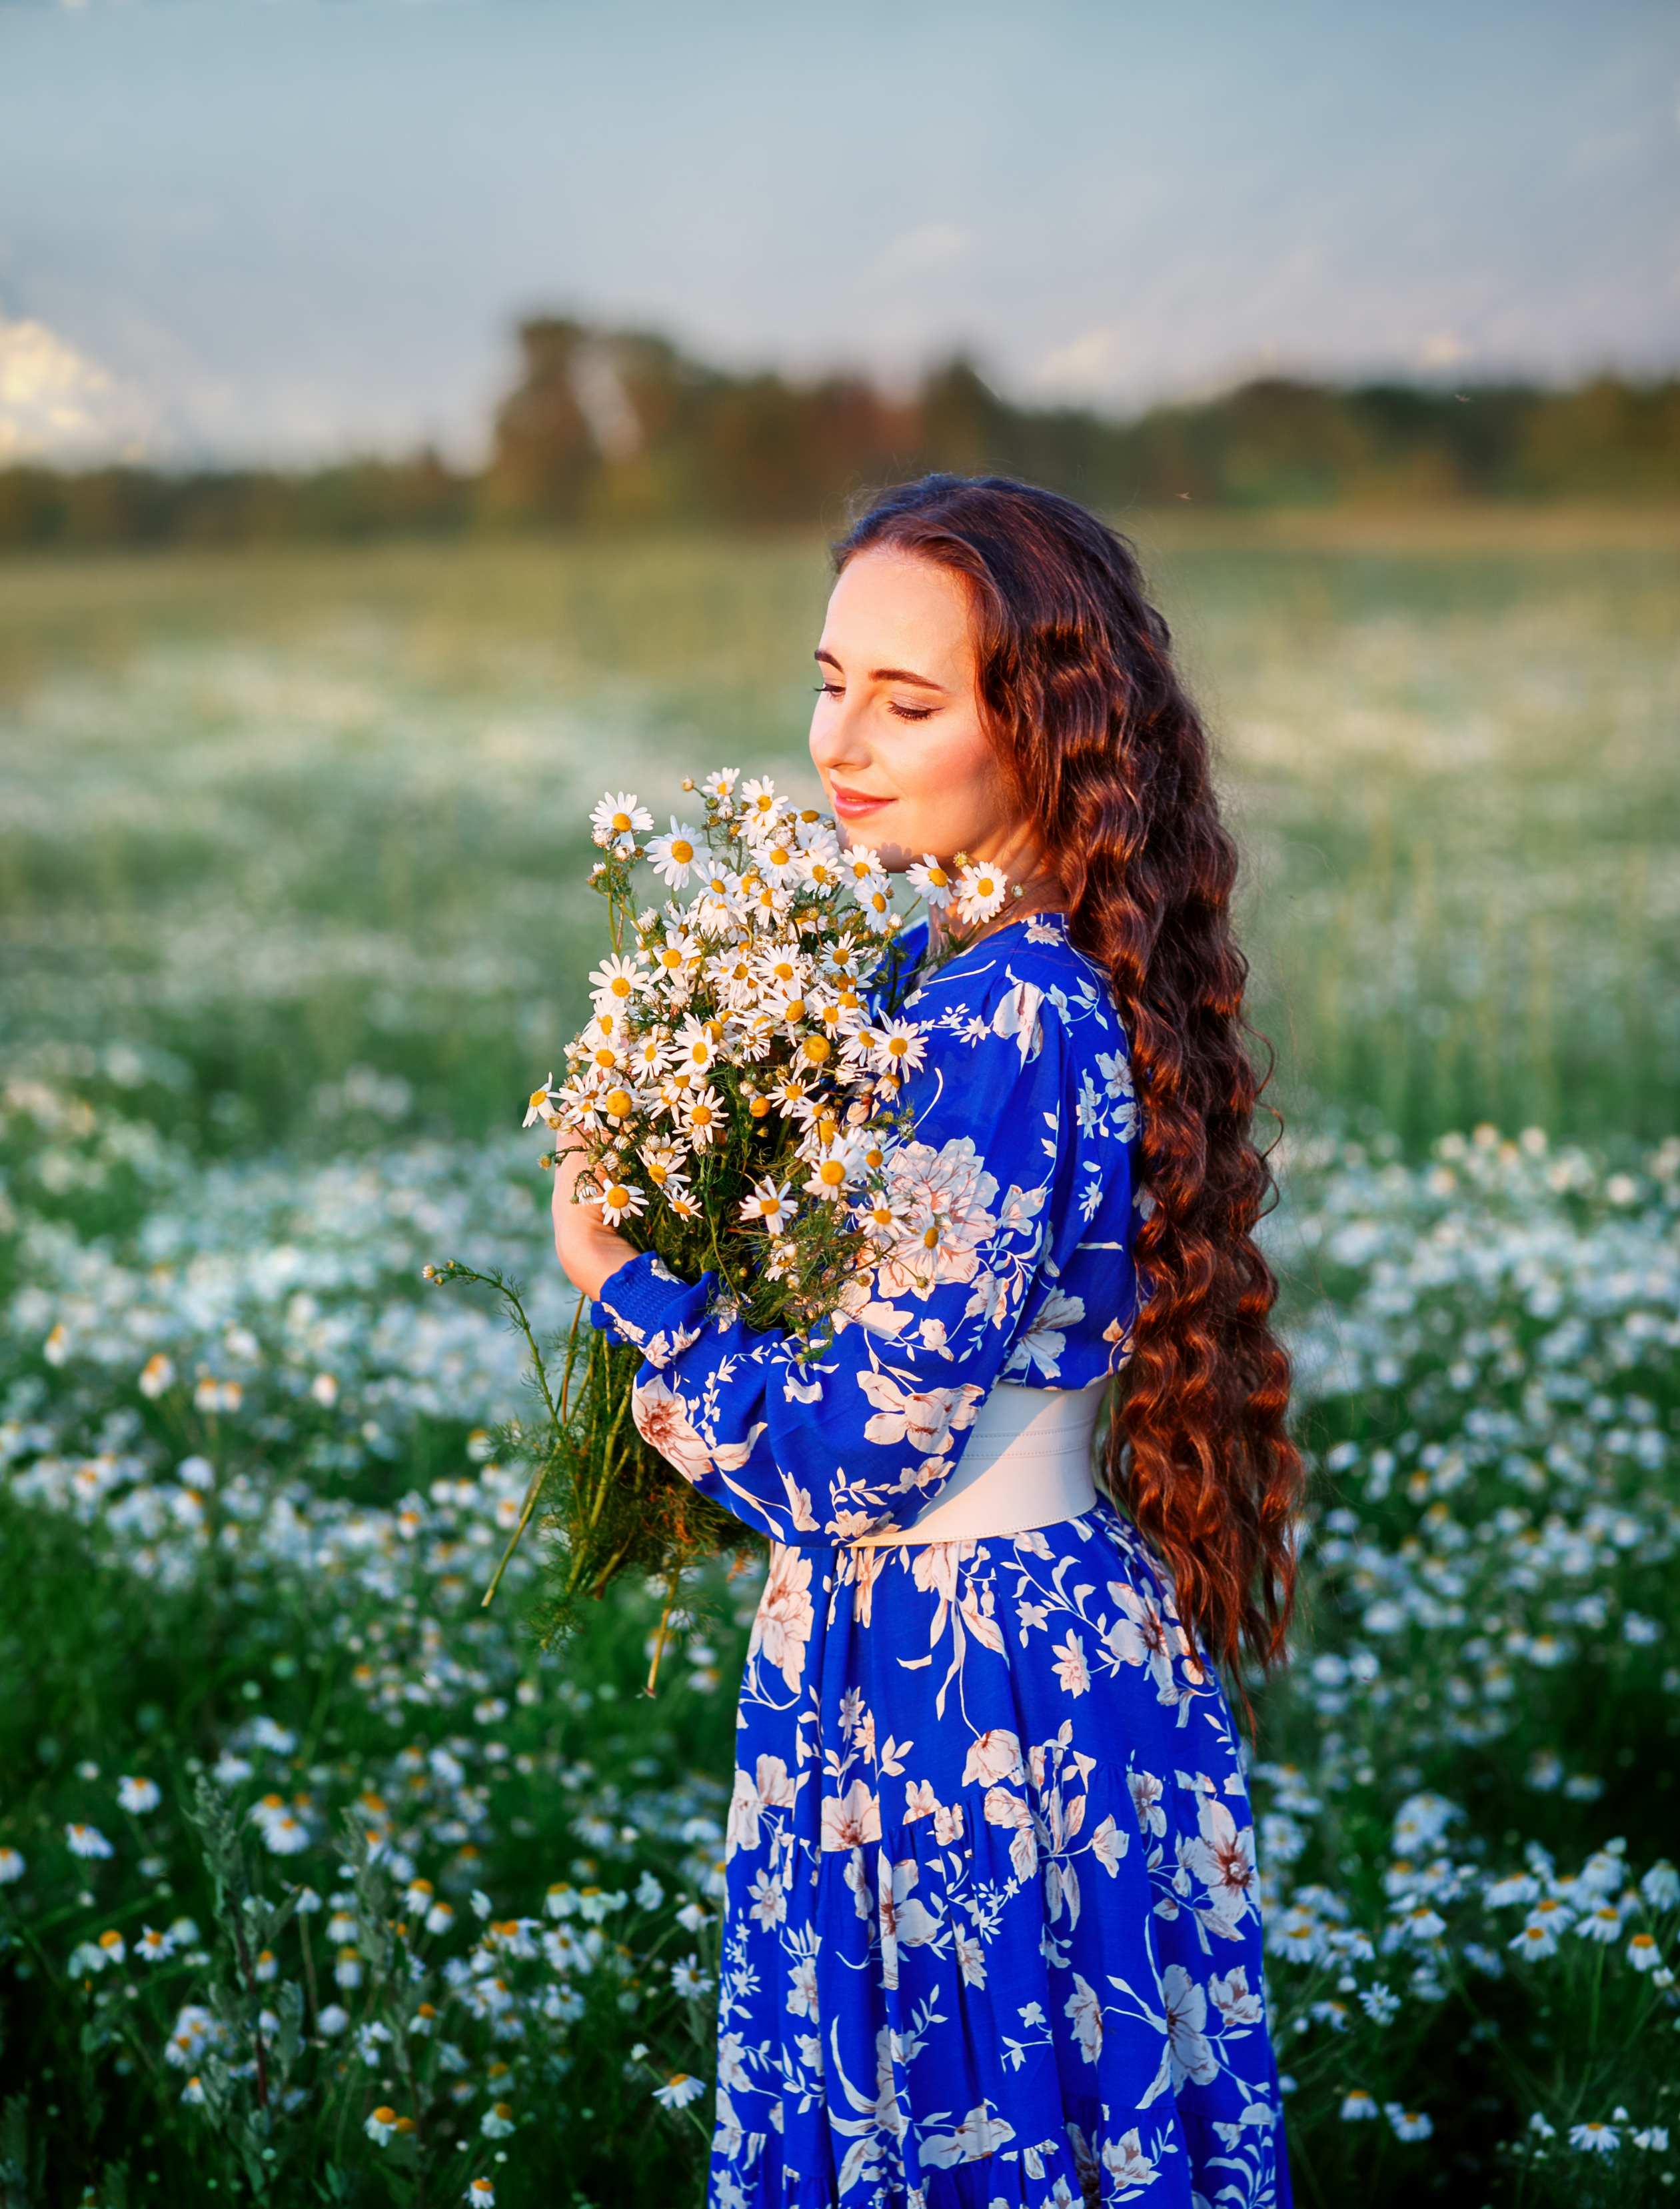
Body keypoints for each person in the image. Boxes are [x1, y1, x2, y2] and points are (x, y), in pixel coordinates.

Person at [551, 476, 1301, 2209]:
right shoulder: (956, 963)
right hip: (1002, 1639)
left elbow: (848, 1458)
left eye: (907, 702)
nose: (839, 740)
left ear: (1037, 726)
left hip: (954, 1674)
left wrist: (626, 1278)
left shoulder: (993, 1007)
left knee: (958, 2120)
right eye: (828, 680)